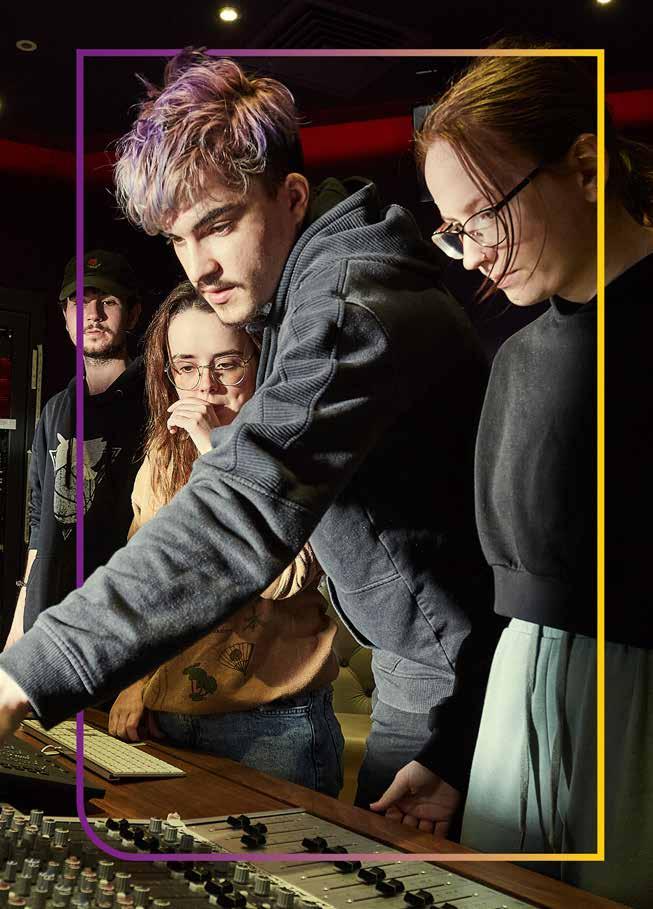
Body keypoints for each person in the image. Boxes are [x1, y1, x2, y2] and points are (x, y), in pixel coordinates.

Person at [0, 52, 498, 834]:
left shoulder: (344, 303)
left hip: (448, 675)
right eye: (177, 238)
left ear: (292, 196)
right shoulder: (316, 285)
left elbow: (242, 509)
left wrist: (23, 674)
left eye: (218, 224)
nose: (199, 266)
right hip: (439, 669)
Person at [370, 52, 653, 908]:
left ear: (587, 167)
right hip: (508, 719)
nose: (471, 257)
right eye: (454, 230)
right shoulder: (513, 359)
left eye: (483, 216)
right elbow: (504, 600)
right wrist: (452, 754)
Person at [107, 281, 343, 796]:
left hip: (274, 725)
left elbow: (284, 579)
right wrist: (136, 681)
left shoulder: (299, 448)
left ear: (262, 360)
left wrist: (215, 453)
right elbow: (145, 585)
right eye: (186, 367)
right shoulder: (164, 455)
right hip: (171, 716)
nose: (206, 388)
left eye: (227, 365)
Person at [4, 250, 145, 646]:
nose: (92, 315)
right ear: (66, 316)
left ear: (133, 314)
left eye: (108, 301)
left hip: (119, 634)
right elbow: (39, 523)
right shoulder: (55, 410)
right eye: (79, 302)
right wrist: (17, 630)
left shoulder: (155, 404)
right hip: (47, 627)